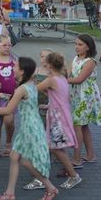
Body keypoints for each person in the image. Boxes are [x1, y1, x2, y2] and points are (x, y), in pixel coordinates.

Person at [0, 57, 59, 200]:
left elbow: (8, 110)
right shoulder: (31, 84)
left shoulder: (22, 88)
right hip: (31, 125)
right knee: (14, 157)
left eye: (15, 66)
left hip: (30, 128)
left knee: (24, 161)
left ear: (22, 71)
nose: (12, 67)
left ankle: (50, 188)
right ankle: (10, 193)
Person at [35, 52, 82, 189]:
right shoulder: (62, 78)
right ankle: (69, 172)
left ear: (49, 65)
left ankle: (73, 176)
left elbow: (33, 89)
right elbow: (61, 97)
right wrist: (49, 104)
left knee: (55, 148)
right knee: (57, 147)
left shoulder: (51, 79)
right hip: (61, 114)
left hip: (57, 118)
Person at [67, 34, 101, 168]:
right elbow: (68, 73)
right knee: (83, 126)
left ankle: (77, 159)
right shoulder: (76, 59)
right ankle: (90, 155)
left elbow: (79, 79)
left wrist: (61, 80)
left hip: (86, 96)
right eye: (76, 44)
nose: (76, 47)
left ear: (88, 47)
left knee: (78, 125)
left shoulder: (90, 62)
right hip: (77, 95)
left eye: (80, 44)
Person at [0, 36, 17, 158]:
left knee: (9, 121)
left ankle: (8, 142)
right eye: (4, 45)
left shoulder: (14, 59)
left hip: (11, 97)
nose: (7, 47)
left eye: (9, 45)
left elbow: (19, 75)